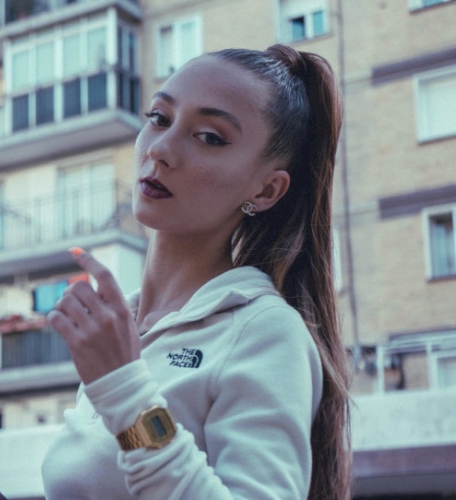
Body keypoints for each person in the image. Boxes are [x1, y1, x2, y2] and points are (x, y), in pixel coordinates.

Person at [42, 43, 351, 499]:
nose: (161, 149)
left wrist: (126, 395)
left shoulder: (263, 330)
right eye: (158, 118)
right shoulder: (129, 330)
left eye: (209, 137)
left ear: (266, 190)